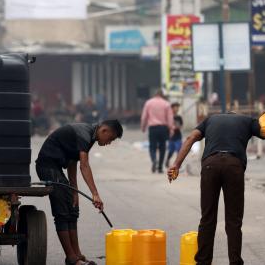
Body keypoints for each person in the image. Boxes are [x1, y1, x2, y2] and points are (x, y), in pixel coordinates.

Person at [167, 112, 265, 265]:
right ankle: (235, 262)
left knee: (207, 218)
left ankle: (203, 262)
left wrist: (176, 165)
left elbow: (190, 138)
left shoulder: (210, 120)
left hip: (210, 165)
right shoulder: (248, 121)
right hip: (234, 166)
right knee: (233, 220)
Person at [36, 119, 123, 265]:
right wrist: (95, 194)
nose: (109, 142)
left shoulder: (90, 136)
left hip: (57, 168)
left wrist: (74, 191)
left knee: (73, 209)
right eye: (110, 139)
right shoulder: (85, 134)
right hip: (47, 166)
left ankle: (77, 254)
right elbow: (84, 165)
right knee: (62, 212)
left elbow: (72, 162)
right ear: (104, 131)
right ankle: (71, 258)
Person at [141, 90, 174, 173]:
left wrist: (143, 127)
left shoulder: (148, 103)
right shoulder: (166, 104)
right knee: (162, 147)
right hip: (163, 128)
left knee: (152, 146)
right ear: (162, 95)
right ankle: (159, 167)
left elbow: (144, 117)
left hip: (153, 128)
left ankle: (154, 160)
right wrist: (171, 128)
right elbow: (170, 118)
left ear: (154, 94)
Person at [165, 102, 183, 168]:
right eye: (175, 107)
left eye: (178, 107)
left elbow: (180, 126)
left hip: (178, 136)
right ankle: (167, 160)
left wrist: (176, 126)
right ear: (172, 108)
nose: (177, 109)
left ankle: (178, 164)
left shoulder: (179, 117)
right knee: (171, 151)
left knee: (179, 150)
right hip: (171, 137)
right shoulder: (168, 117)